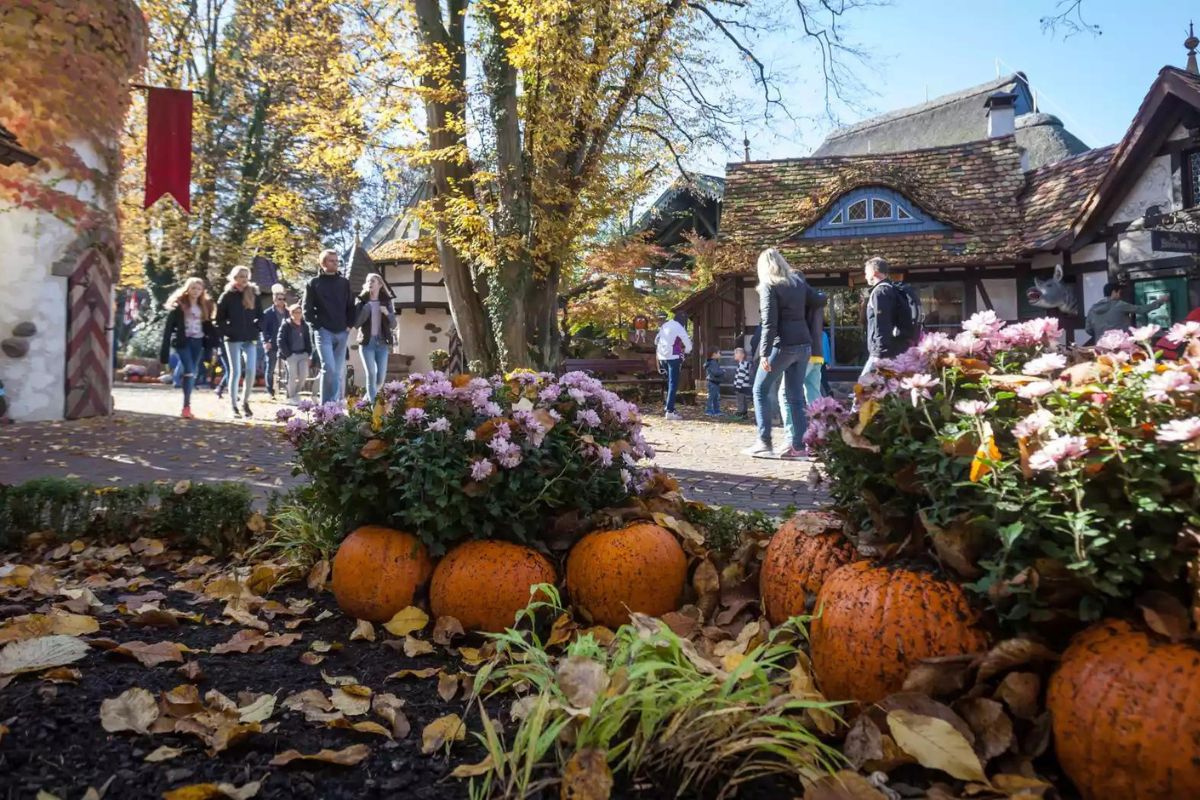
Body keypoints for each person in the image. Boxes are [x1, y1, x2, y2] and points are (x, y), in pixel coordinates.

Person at [745, 248, 825, 460]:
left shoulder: (769, 286)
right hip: (804, 345)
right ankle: (799, 447)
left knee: (759, 389)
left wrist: (763, 354)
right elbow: (818, 300)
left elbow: (769, 323)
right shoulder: (797, 282)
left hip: (783, 346)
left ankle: (764, 442)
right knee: (795, 397)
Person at [303, 249, 355, 404]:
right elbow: (307, 309)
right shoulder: (313, 283)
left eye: (337, 260)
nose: (335, 263)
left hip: (342, 331)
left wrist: (349, 325)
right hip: (323, 331)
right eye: (332, 260)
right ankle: (326, 404)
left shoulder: (344, 283)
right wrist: (317, 326)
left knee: (337, 371)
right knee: (329, 368)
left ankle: (333, 404)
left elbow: (351, 306)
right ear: (323, 263)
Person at [158, 277, 215, 419]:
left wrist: (212, 344)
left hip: (198, 341)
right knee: (189, 370)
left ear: (202, 291)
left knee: (192, 372)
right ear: (187, 289)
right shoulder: (179, 306)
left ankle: (187, 406)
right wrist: (164, 351)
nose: (195, 291)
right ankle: (186, 407)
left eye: (198, 289)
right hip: (183, 342)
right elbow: (168, 329)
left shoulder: (205, 306)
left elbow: (208, 326)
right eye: (193, 288)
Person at [215, 265, 262, 418]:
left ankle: (245, 402)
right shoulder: (227, 295)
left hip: (250, 338)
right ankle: (233, 405)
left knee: (250, 370)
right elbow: (219, 319)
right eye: (241, 276)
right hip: (233, 338)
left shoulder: (253, 293)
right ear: (234, 278)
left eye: (246, 276)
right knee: (235, 371)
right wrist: (228, 331)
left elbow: (260, 315)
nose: (244, 279)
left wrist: (257, 327)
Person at [861, 256, 915, 381]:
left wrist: (879, 352)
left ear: (874, 272)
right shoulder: (892, 289)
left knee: (863, 387)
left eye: (866, 273)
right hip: (893, 348)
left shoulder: (880, 292)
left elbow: (882, 323)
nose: (865, 276)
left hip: (882, 352)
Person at [354, 273, 397, 402]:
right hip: (367, 344)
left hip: (382, 344)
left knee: (380, 378)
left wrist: (387, 313)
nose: (370, 283)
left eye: (373, 281)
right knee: (371, 374)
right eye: (368, 281)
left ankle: (367, 398)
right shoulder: (362, 301)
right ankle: (372, 405)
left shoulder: (387, 301)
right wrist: (367, 308)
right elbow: (357, 323)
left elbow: (394, 324)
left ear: (379, 284)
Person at [1085, 282, 1167, 343]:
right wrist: (1160, 301)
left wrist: (1100, 334)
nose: (1120, 296)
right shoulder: (1119, 305)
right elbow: (1141, 309)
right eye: (1119, 293)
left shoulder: (1092, 309)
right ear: (1114, 292)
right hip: (1120, 344)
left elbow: (1088, 330)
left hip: (1101, 345)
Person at [654, 310, 692, 420]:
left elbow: (656, 341)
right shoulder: (679, 327)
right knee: (673, 384)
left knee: (670, 382)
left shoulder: (665, 326)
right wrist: (687, 351)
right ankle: (669, 411)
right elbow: (686, 341)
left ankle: (670, 407)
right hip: (673, 358)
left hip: (662, 358)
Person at [277, 304, 313, 404]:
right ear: (291, 313)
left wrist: (308, 352)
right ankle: (291, 396)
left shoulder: (304, 325)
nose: (298, 314)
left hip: (303, 354)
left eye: (299, 312)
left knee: (304, 374)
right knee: (292, 376)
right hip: (291, 355)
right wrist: (287, 354)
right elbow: (280, 340)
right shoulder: (286, 325)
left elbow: (308, 340)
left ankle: (296, 393)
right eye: (295, 312)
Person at [259, 283, 289, 399]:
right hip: (272, 344)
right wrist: (265, 342)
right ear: (274, 299)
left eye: (283, 298)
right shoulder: (267, 313)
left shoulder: (288, 313)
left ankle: (288, 390)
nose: (281, 301)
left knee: (288, 368)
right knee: (270, 368)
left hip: (285, 344)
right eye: (279, 298)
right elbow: (263, 329)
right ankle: (270, 391)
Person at [732, 347, 752, 419]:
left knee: (740, 400)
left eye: (736, 353)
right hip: (744, 386)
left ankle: (740, 412)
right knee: (743, 400)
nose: (734, 355)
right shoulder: (744, 364)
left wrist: (737, 387)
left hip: (741, 386)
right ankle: (744, 413)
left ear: (742, 355)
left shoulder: (742, 365)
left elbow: (741, 377)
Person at [703, 350, 723, 416]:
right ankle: (709, 410)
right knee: (711, 397)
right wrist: (722, 371)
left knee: (715, 397)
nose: (720, 354)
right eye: (719, 353)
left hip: (715, 382)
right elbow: (715, 372)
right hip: (712, 382)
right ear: (714, 354)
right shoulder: (713, 363)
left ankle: (716, 411)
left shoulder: (714, 362)